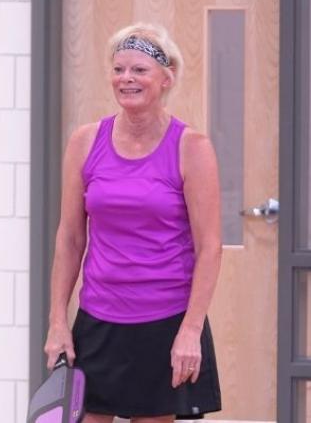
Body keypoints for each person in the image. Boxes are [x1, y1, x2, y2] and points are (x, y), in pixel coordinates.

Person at [43, 22, 224, 423]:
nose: (126, 78)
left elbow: (209, 247)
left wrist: (191, 331)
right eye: (118, 69)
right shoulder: (85, 142)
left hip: (164, 323)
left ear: (166, 78)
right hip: (98, 318)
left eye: (139, 70)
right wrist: (58, 321)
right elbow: (71, 238)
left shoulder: (192, 148)